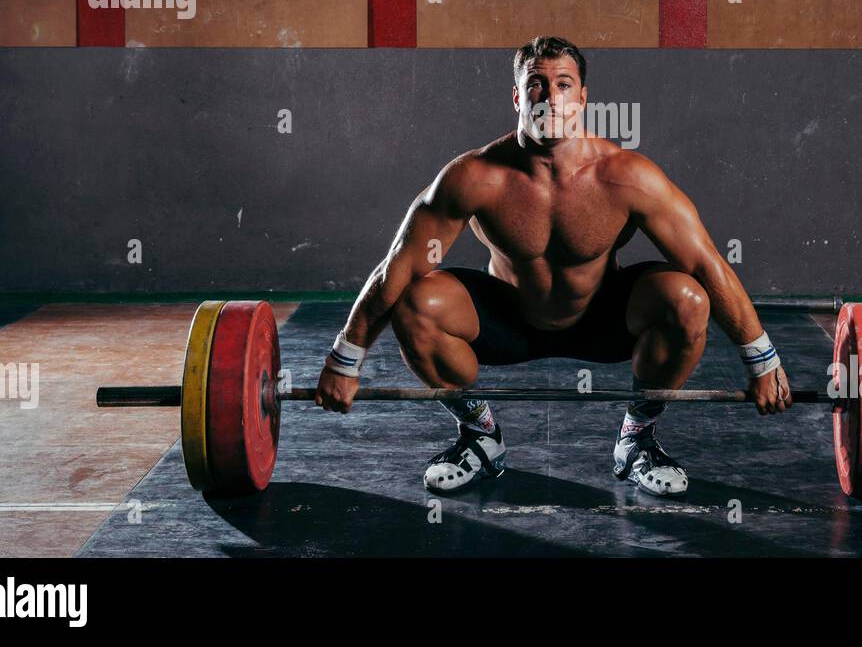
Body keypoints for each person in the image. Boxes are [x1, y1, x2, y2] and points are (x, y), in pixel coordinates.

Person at [315, 35, 792, 496]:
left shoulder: (626, 176)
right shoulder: (475, 176)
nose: (549, 96)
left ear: (582, 97)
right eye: (536, 83)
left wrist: (761, 358)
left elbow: (707, 263)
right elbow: (397, 266)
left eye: (563, 83)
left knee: (686, 297)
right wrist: (345, 358)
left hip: (603, 320)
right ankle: (480, 436)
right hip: (508, 321)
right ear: (517, 95)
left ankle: (637, 439)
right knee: (418, 302)